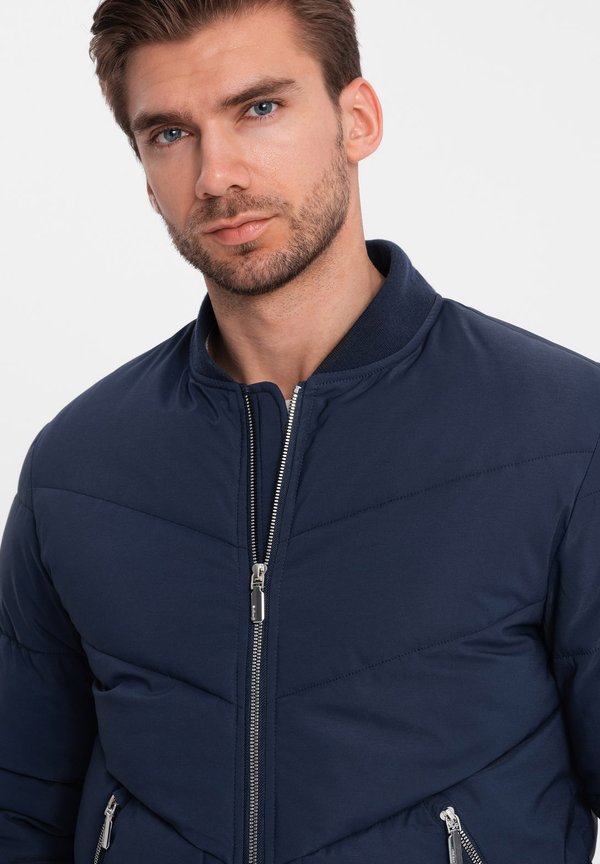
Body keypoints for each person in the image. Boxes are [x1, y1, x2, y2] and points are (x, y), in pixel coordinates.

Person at [0, 1, 599, 862]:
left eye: (259, 108)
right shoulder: (78, 466)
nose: (216, 176)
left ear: (358, 120)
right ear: (144, 170)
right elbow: (19, 806)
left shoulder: (565, 431)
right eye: (169, 133)